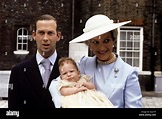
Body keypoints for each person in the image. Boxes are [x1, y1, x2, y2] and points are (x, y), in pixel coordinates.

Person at [69, 14, 143, 108]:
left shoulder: (128, 73)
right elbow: (58, 84)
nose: (101, 47)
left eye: (106, 40)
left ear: (113, 40)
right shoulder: (83, 64)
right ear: (89, 44)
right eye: (95, 42)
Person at [8, 14, 62, 108]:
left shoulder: (70, 70)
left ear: (58, 36)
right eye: (41, 33)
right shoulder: (18, 71)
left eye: (50, 33)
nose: (45, 38)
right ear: (34, 35)